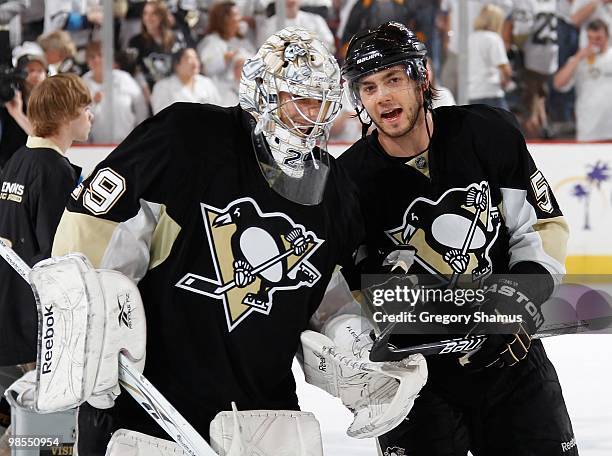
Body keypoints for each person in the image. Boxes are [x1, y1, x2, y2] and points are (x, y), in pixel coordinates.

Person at [50, 27, 365, 454]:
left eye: (321, 101)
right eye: (299, 98)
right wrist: (92, 328)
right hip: (155, 411)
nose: (312, 115)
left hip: (264, 421)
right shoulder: (187, 136)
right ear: (264, 94)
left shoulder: (335, 185)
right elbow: (94, 226)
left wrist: (356, 348)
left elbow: (330, 296)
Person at [338, 22, 575, 456]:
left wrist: (513, 306)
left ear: (421, 76)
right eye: (368, 87)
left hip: (512, 358)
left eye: (393, 79)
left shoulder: (488, 133)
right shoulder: (348, 181)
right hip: (416, 377)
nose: (383, 97)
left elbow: (541, 228)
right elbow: (355, 284)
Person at [0, 73, 92, 452]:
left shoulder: (18, 161)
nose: (91, 117)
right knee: (44, 438)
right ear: (65, 115)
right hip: (33, 333)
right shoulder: (54, 172)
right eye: (86, 108)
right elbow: (58, 259)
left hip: (9, 318)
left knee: (18, 433)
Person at [554, 18, 612, 141]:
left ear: (607, 37)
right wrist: (578, 58)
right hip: (588, 127)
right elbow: (558, 84)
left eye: (598, 38)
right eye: (590, 38)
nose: (594, 43)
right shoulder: (577, 61)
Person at [82, 41, 149, 144]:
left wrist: (140, 136)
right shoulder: (82, 84)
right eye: (92, 57)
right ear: (87, 61)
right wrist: (94, 103)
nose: (96, 60)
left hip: (128, 143)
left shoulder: (124, 78)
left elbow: (140, 107)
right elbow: (80, 119)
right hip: (97, 147)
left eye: (100, 55)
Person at [197, 1, 255, 106]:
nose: (240, 18)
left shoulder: (244, 41)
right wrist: (225, 58)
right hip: (220, 97)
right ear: (225, 19)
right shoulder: (212, 42)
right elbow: (206, 69)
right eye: (236, 15)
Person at [151, 47, 221, 114]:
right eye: (189, 58)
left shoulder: (206, 83)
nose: (195, 62)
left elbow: (218, 108)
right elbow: (161, 117)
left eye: (196, 58)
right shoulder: (162, 87)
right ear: (177, 65)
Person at [468, 4, 511, 109]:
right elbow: (504, 68)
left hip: (472, 93)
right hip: (491, 92)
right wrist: (506, 82)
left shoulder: (470, 38)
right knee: (506, 124)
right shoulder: (493, 38)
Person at [256, 0, 335, 50]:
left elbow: (329, 43)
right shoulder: (268, 25)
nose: (290, 1)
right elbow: (263, 50)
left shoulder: (316, 20)